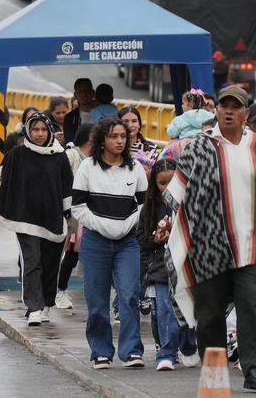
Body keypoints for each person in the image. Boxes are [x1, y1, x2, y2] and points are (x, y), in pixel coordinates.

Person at [165, 85, 256, 392]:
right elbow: (177, 195)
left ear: (246, 114)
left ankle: (254, 370)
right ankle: (214, 373)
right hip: (208, 246)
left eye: (236, 107)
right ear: (217, 111)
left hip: (252, 245)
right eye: (224, 106)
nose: (229, 111)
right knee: (209, 315)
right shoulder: (199, 146)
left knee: (253, 305)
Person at [71, 117, 149, 370]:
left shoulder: (135, 168)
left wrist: (128, 224)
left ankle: (132, 351)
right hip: (95, 241)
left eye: (123, 136)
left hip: (128, 242)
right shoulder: (88, 168)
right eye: (113, 136)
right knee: (97, 301)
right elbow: (78, 208)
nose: (119, 141)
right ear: (102, 140)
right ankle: (101, 351)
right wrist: (101, 225)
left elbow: (144, 205)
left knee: (129, 295)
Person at [0, 111, 74, 326]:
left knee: (50, 263)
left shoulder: (59, 156)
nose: (39, 134)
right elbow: (2, 177)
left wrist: (69, 215)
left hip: (52, 217)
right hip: (25, 218)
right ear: (28, 131)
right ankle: (34, 307)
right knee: (32, 261)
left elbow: (67, 188)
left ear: (50, 130)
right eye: (35, 130)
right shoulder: (17, 154)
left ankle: (46, 303)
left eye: (43, 129)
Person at [140, 158, 199, 371]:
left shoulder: (193, 204)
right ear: (154, 184)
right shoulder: (150, 208)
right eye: (162, 183)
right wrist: (155, 239)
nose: (167, 187)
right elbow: (142, 239)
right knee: (164, 311)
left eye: (172, 181)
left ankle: (189, 346)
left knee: (187, 309)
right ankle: (166, 352)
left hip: (188, 266)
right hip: (161, 268)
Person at [54, 122, 95, 310]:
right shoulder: (72, 154)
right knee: (71, 255)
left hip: (93, 212)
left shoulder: (99, 158)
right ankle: (60, 292)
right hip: (74, 213)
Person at [63, 78, 96, 144]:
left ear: (93, 92)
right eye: (80, 91)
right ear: (75, 95)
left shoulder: (102, 114)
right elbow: (69, 140)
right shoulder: (70, 118)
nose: (84, 94)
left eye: (87, 90)